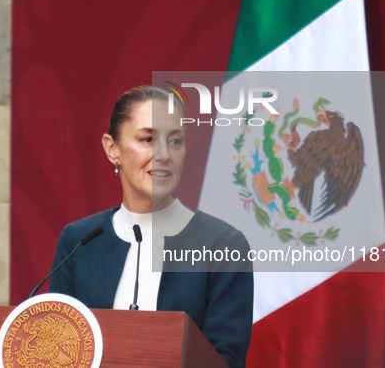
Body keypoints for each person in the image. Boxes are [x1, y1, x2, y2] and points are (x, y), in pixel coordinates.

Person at [49, 85, 253, 367]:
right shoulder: (79, 240)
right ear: (112, 149)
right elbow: (54, 347)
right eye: (147, 139)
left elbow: (225, 360)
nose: (164, 155)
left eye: (175, 141)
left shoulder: (224, 244)